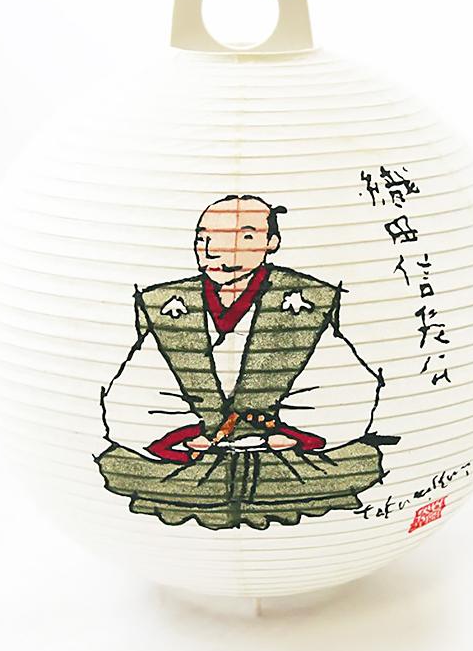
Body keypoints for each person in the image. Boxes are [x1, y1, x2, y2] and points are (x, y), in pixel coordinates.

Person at [95, 194, 399, 530]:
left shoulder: (309, 298)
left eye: (244, 236)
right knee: (124, 464)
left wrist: (292, 433)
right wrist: (183, 435)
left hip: (280, 449)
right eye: (204, 239)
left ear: (272, 243)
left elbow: (343, 384)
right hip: (195, 449)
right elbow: (138, 389)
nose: (214, 250)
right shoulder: (164, 302)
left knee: (351, 462)